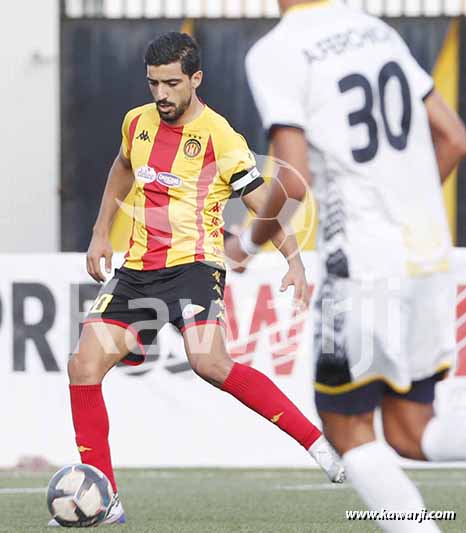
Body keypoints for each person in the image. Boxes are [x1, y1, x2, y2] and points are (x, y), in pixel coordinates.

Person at [49, 31, 344, 527]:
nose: (160, 95)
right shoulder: (136, 122)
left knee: (209, 362)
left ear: (195, 79)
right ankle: (104, 502)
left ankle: (316, 443)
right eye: (153, 84)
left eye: (170, 84)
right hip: (137, 272)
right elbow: (122, 166)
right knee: (83, 366)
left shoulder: (221, 137)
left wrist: (293, 258)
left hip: (194, 268)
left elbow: (262, 201)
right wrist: (101, 232)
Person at [226, 1, 466, 531]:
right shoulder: (375, 29)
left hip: (363, 265)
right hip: (429, 252)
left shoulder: (276, 50)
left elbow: (292, 179)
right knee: (411, 431)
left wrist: (244, 246)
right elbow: (453, 137)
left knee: (345, 427)